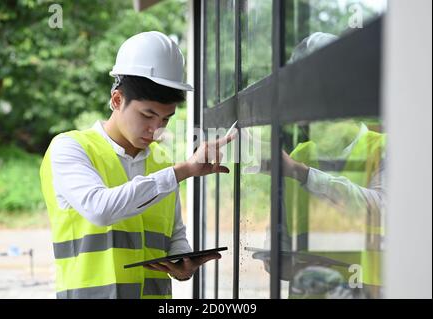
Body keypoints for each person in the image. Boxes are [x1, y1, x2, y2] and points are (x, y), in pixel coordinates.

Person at [39, 31, 235, 299]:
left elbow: (175, 234)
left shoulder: (162, 163)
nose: (156, 129)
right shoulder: (71, 148)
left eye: (165, 119)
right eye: (148, 115)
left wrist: (182, 266)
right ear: (117, 100)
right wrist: (183, 171)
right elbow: (100, 209)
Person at [252, 32, 386, 298]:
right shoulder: (298, 155)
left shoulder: (382, 149)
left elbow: (381, 209)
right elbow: (280, 243)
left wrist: (302, 174)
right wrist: (278, 260)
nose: (303, 114)